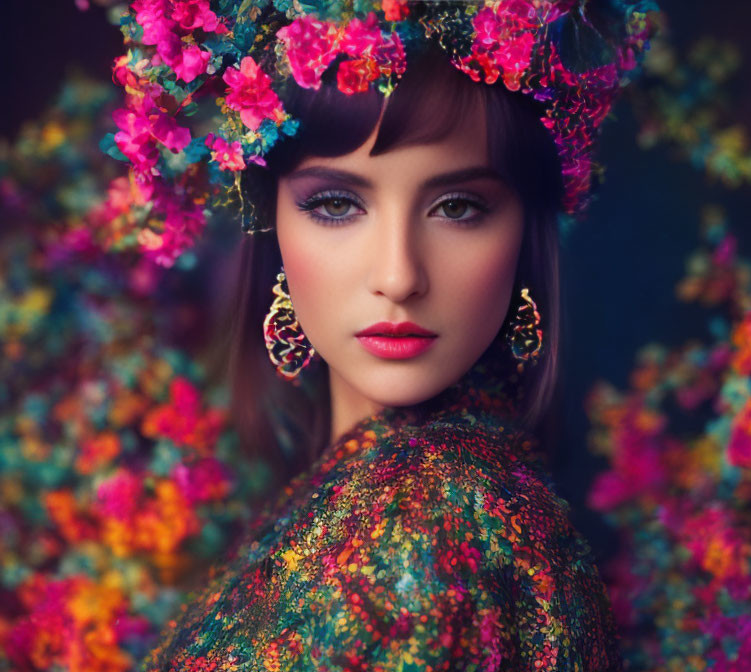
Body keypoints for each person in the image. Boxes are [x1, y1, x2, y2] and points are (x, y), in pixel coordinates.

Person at [111, 0, 656, 669]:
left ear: (524, 233)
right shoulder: (389, 490)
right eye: (337, 205)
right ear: (272, 224)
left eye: (458, 207)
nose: (398, 277)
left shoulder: (435, 514)